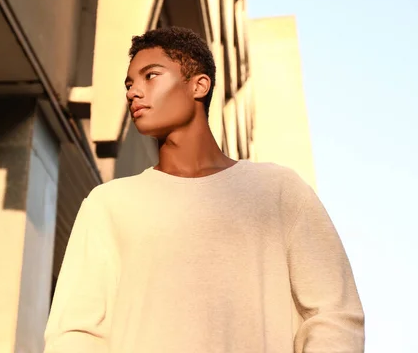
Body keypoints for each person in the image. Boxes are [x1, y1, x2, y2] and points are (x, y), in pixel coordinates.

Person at [43, 27, 364, 353]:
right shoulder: (108, 204)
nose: (133, 92)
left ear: (199, 85)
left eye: (150, 76)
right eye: (129, 84)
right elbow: (74, 332)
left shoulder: (277, 191)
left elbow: (335, 314)